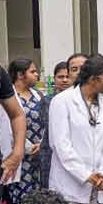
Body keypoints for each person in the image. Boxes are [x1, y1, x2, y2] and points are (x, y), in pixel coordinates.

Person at [49, 56, 103, 204]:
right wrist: (86, 175)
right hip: (71, 184)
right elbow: (61, 145)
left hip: (100, 187)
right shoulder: (62, 102)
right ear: (92, 79)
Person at [6, 59, 43, 204]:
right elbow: (7, 125)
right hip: (18, 154)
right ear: (21, 75)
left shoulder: (39, 96)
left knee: (38, 196)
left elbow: (48, 123)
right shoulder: (9, 97)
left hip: (39, 155)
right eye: (33, 72)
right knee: (18, 196)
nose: (37, 74)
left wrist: (41, 144)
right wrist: (27, 147)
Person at [40, 60, 71, 189]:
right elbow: (47, 124)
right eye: (60, 77)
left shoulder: (80, 100)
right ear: (54, 79)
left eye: (67, 76)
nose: (64, 80)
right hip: (50, 150)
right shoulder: (47, 100)